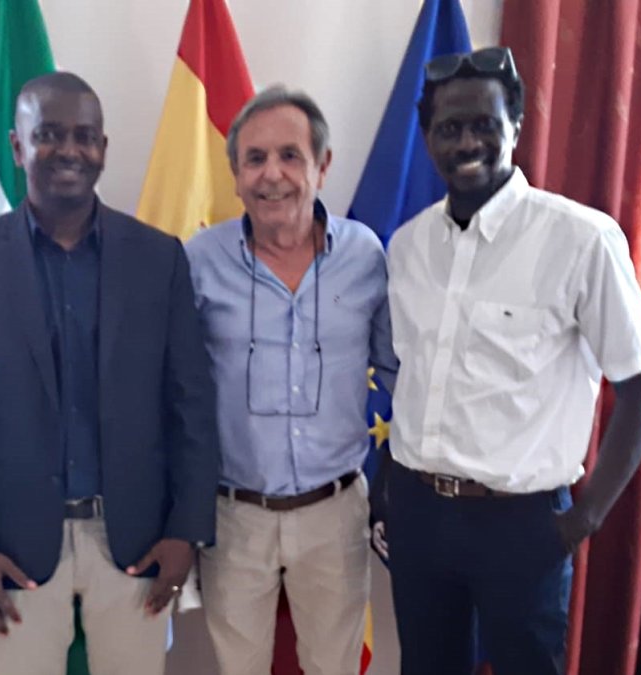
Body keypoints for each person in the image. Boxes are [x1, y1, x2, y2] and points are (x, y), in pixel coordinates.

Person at [0, 71, 219, 675]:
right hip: (10, 550)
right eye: (49, 134)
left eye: (84, 137)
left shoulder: (159, 258)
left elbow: (190, 402)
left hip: (135, 541)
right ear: (16, 146)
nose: (68, 151)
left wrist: (187, 530)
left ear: (103, 149)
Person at [380, 46, 641, 675]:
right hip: (420, 513)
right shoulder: (406, 247)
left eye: (484, 123)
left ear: (516, 126)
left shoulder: (581, 239)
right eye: (449, 128)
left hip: (522, 523)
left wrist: (583, 518)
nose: (467, 141)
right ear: (428, 137)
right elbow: (411, 374)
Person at [185, 85, 398, 675]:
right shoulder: (198, 262)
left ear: (322, 166)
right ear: (234, 174)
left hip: (335, 511)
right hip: (233, 516)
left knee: (334, 666)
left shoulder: (366, 256)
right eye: (254, 159)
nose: (271, 174)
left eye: (289, 155)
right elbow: (172, 389)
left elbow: (400, 372)